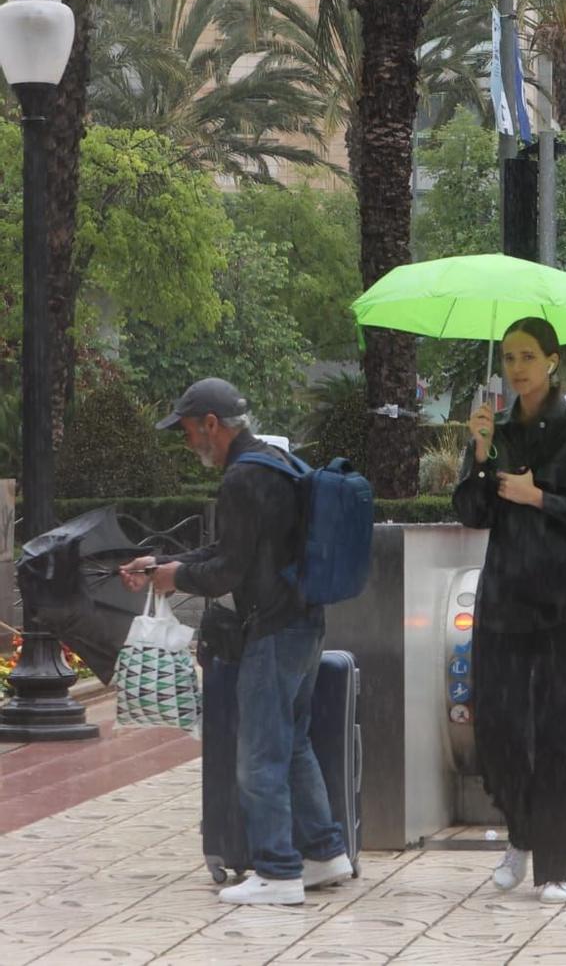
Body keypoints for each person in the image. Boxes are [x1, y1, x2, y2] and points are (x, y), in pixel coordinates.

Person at [119, 378, 351, 907]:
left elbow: (228, 570)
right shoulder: (276, 462)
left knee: (258, 756)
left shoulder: (242, 479)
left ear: (211, 425)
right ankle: (324, 853)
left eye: (186, 430)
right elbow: (234, 549)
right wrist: (165, 564)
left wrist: (177, 578)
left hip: (271, 630)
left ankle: (276, 871)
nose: (186, 441)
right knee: (293, 744)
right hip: (305, 621)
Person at [454, 318, 566, 904]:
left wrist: (538, 497)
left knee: (554, 734)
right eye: (508, 357)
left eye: (527, 355)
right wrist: (477, 454)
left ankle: (554, 866)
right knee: (493, 728)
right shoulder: (495, 432)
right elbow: (474, 512)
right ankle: (522, 829)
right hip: (503, 600)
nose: (516, 367)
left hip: (563, 604)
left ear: (551, 360)